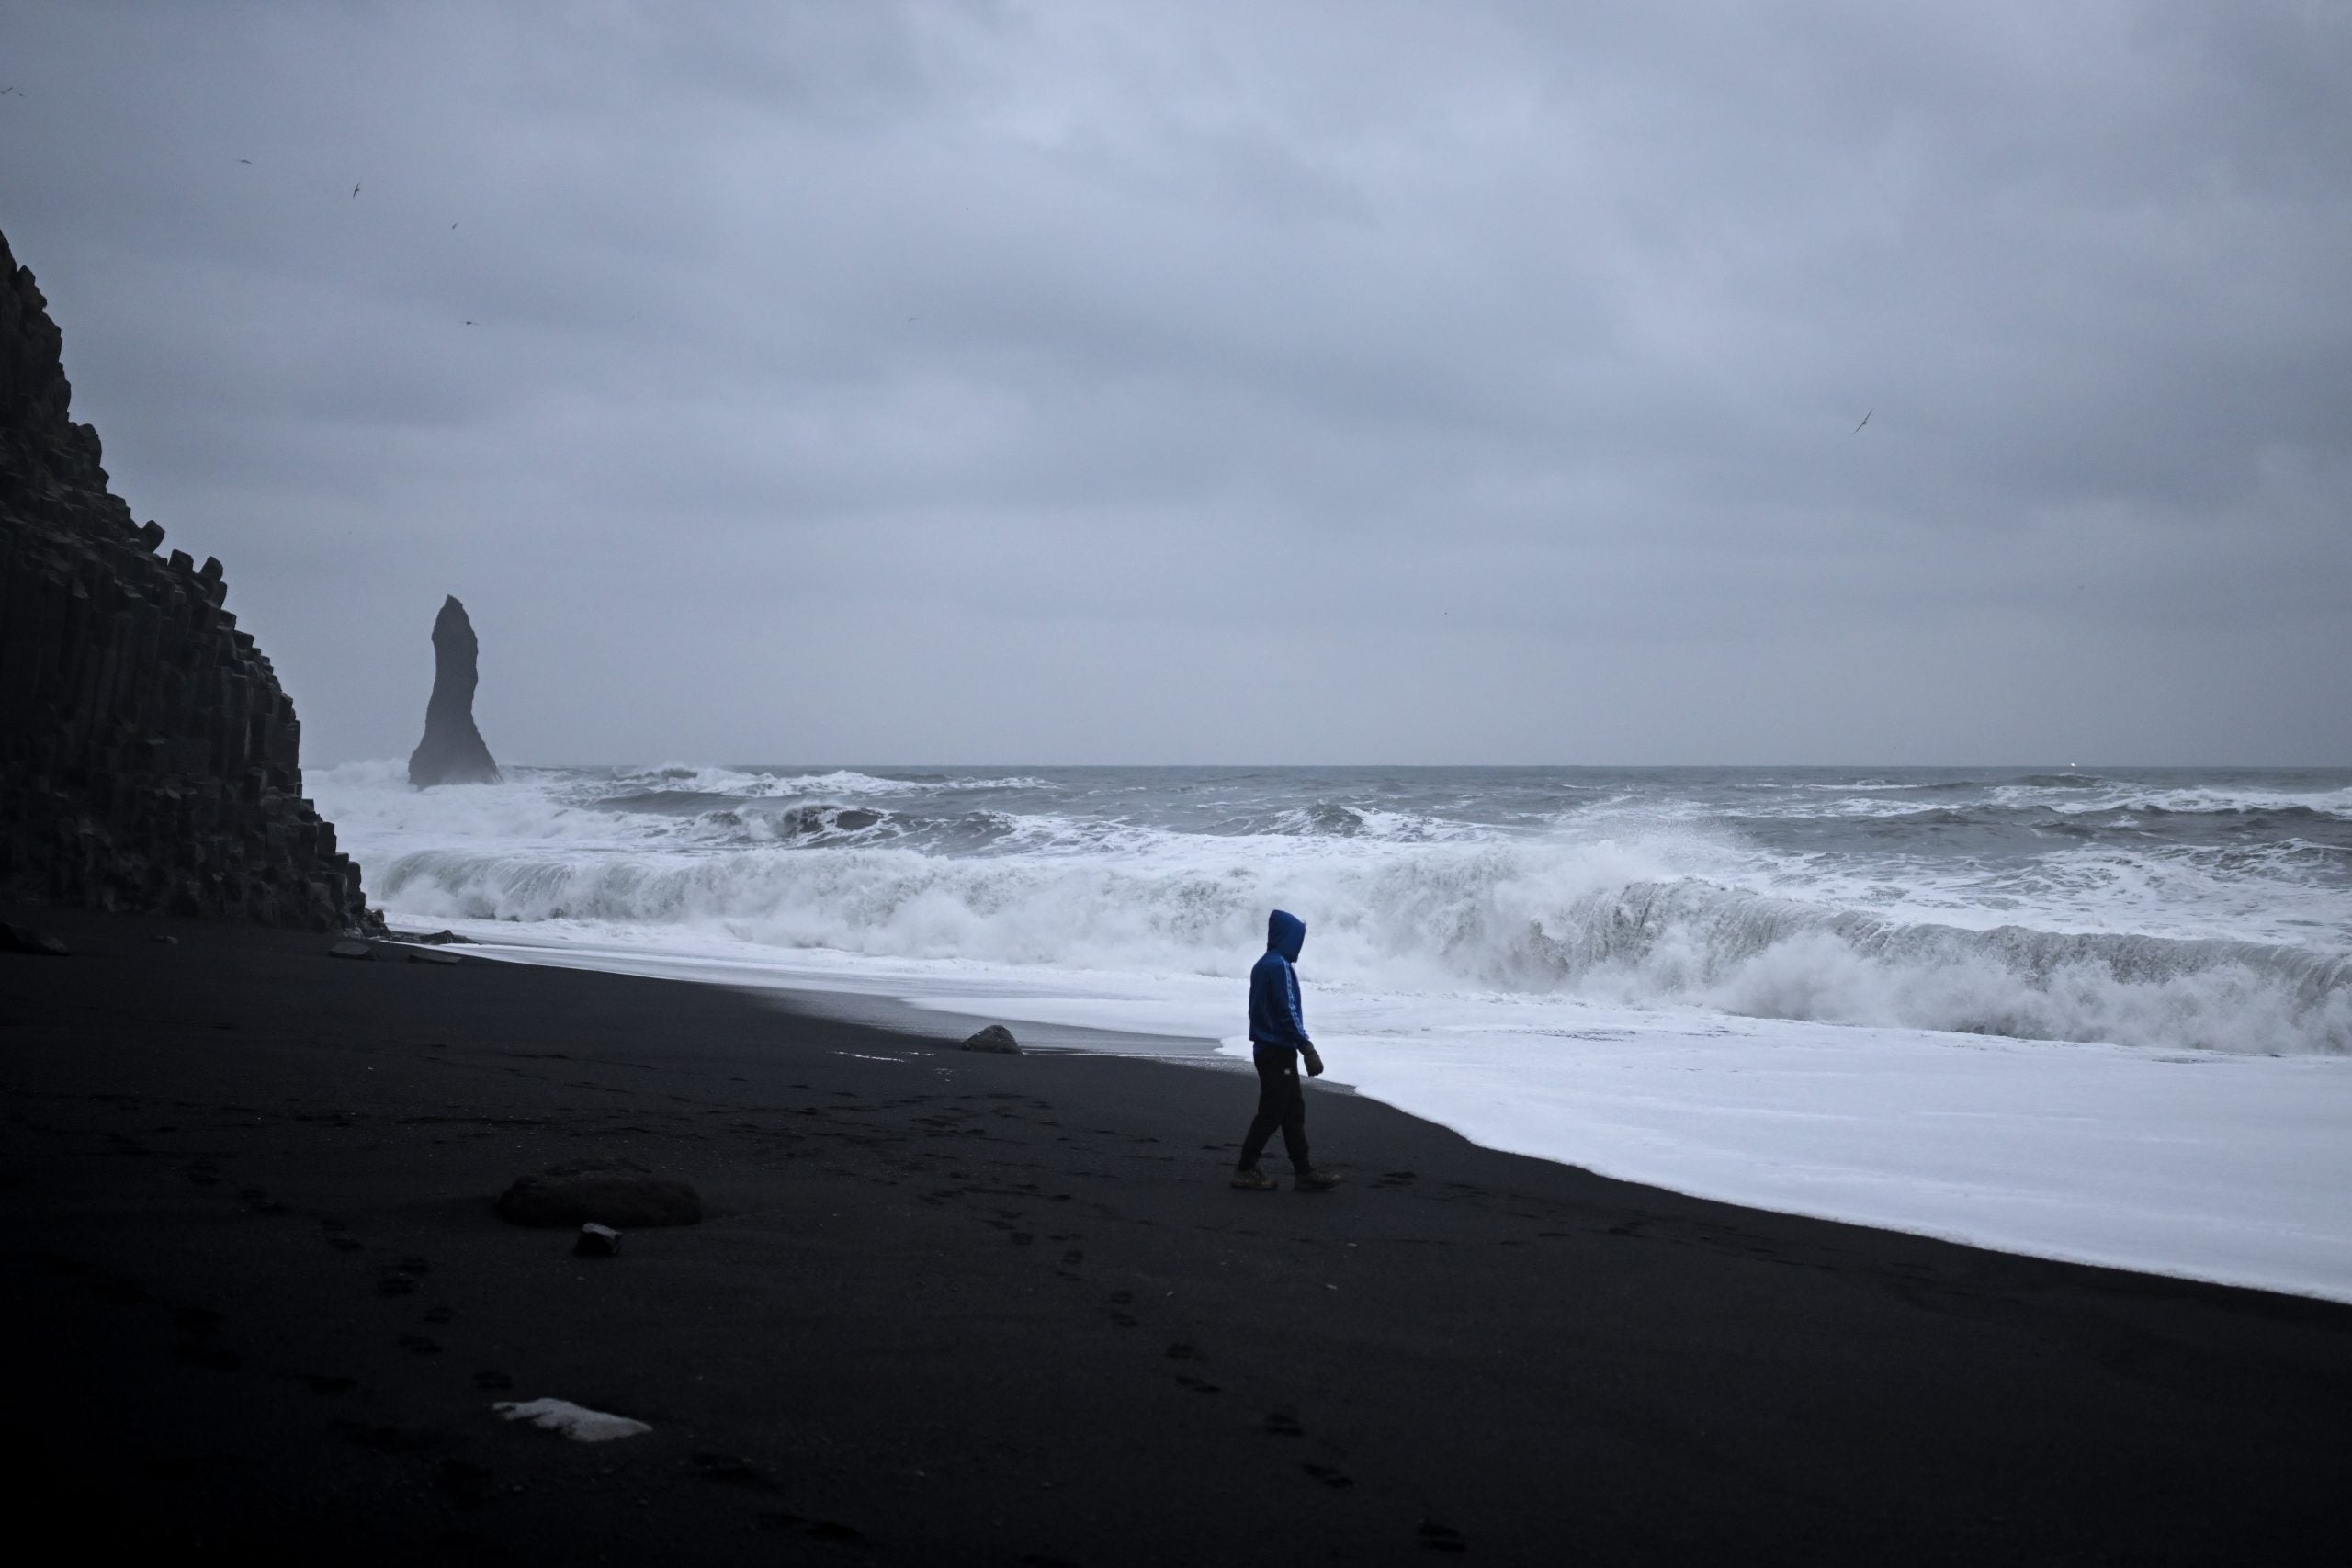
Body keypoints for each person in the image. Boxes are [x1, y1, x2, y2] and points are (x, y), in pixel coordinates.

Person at [1232, 908, 1339, 1192]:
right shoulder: (1278, 966)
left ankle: (1304, 1173)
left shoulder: (1264, 964)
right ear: (1287, 938)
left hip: (1270, 1049)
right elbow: (1286, 1011)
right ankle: (1245, 1169)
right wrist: (1308, 1048)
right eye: (1297, 939)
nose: (1299, 946)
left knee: (1292, 1111)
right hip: (1276, 1051)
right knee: (1273, 1112)